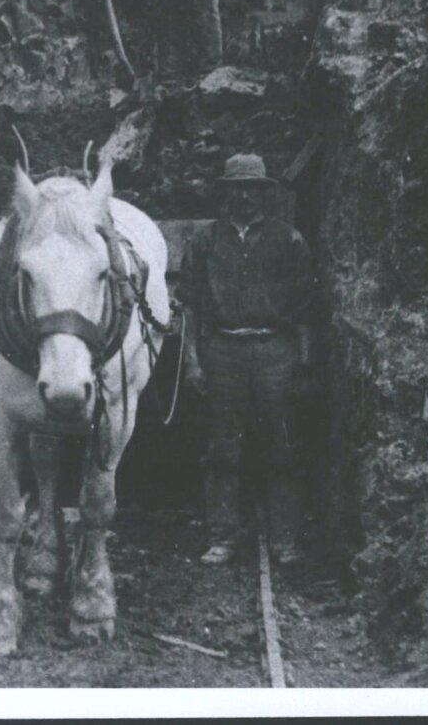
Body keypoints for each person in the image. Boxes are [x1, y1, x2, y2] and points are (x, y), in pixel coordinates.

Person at [182, 153, 328, 568]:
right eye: (236, 188)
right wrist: (192, 360)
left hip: (275, 352)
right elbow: (190, 306)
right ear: (225, 193)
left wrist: (303, 362)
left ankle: (285, 540)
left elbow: (304, 309)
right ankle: (223, 537)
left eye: (252, 188)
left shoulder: (289, 240)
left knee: (283, 445)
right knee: (222, 447)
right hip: (223, 351)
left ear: (265, 193)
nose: (244, 195)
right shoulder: (205, 242)